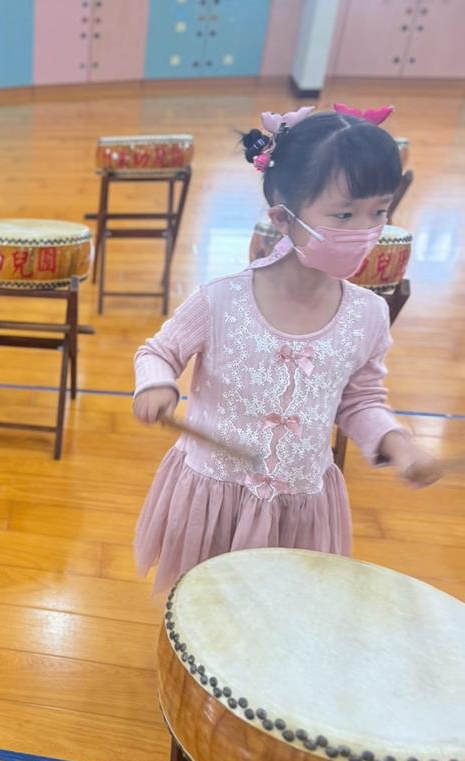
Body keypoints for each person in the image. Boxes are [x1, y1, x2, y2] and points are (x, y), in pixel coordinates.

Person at [131, 106, 442, 593]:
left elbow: (360, 400)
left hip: (300, 504)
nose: (365, 229)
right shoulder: (221, 300)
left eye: (379, 211)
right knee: (199, 606)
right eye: (344, 214)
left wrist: (398, 445)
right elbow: (159, 352)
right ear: (284, 218)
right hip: (213, 498)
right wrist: (157, 385)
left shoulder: (367, 314)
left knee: (280, 610)